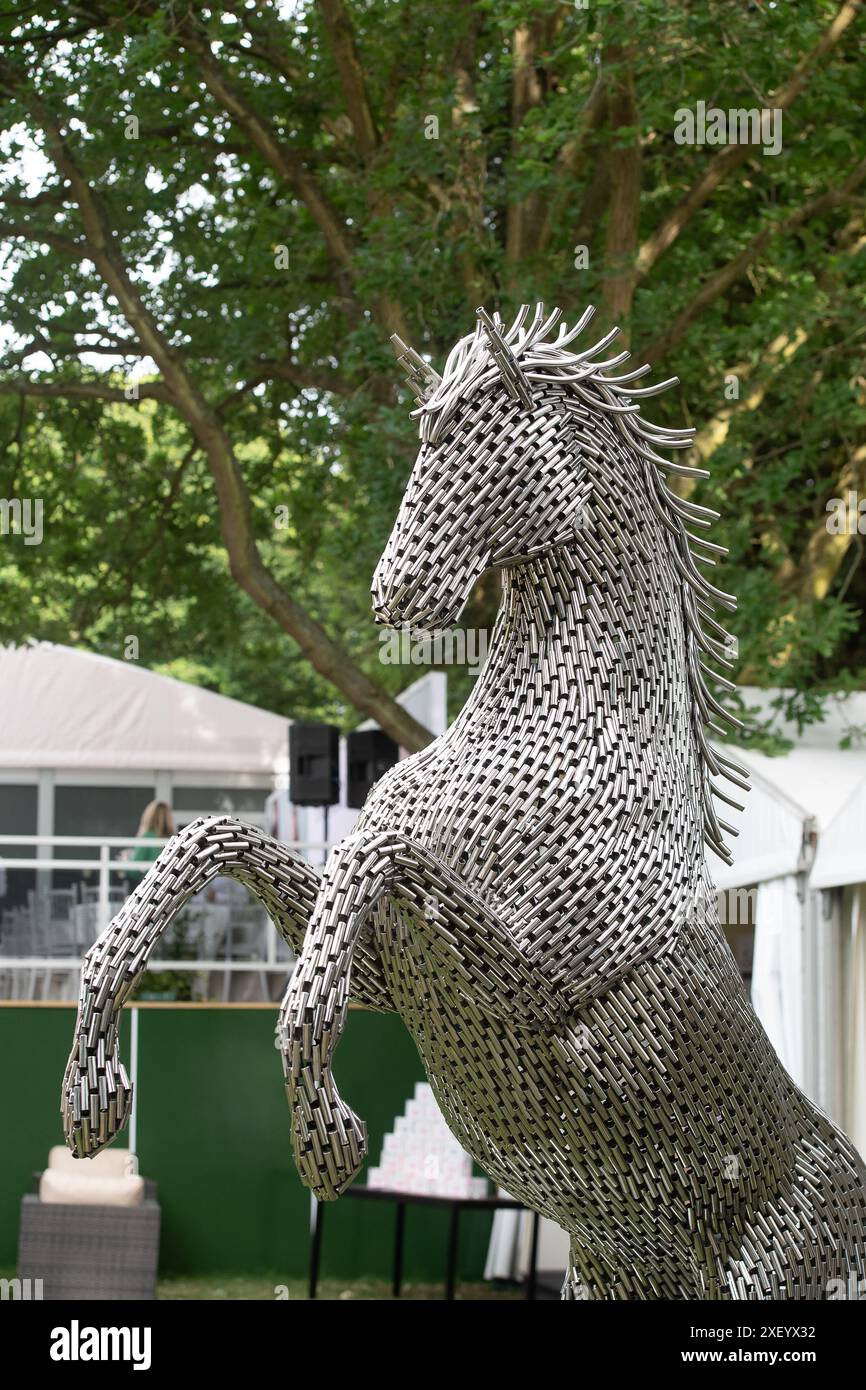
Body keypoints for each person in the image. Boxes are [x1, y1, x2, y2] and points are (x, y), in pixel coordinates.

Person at [128, 800, 176, 872]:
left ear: (148, 817)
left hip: (149, 880)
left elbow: (133, 872)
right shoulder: (174, 839)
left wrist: (127, 859)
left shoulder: (147, 836)